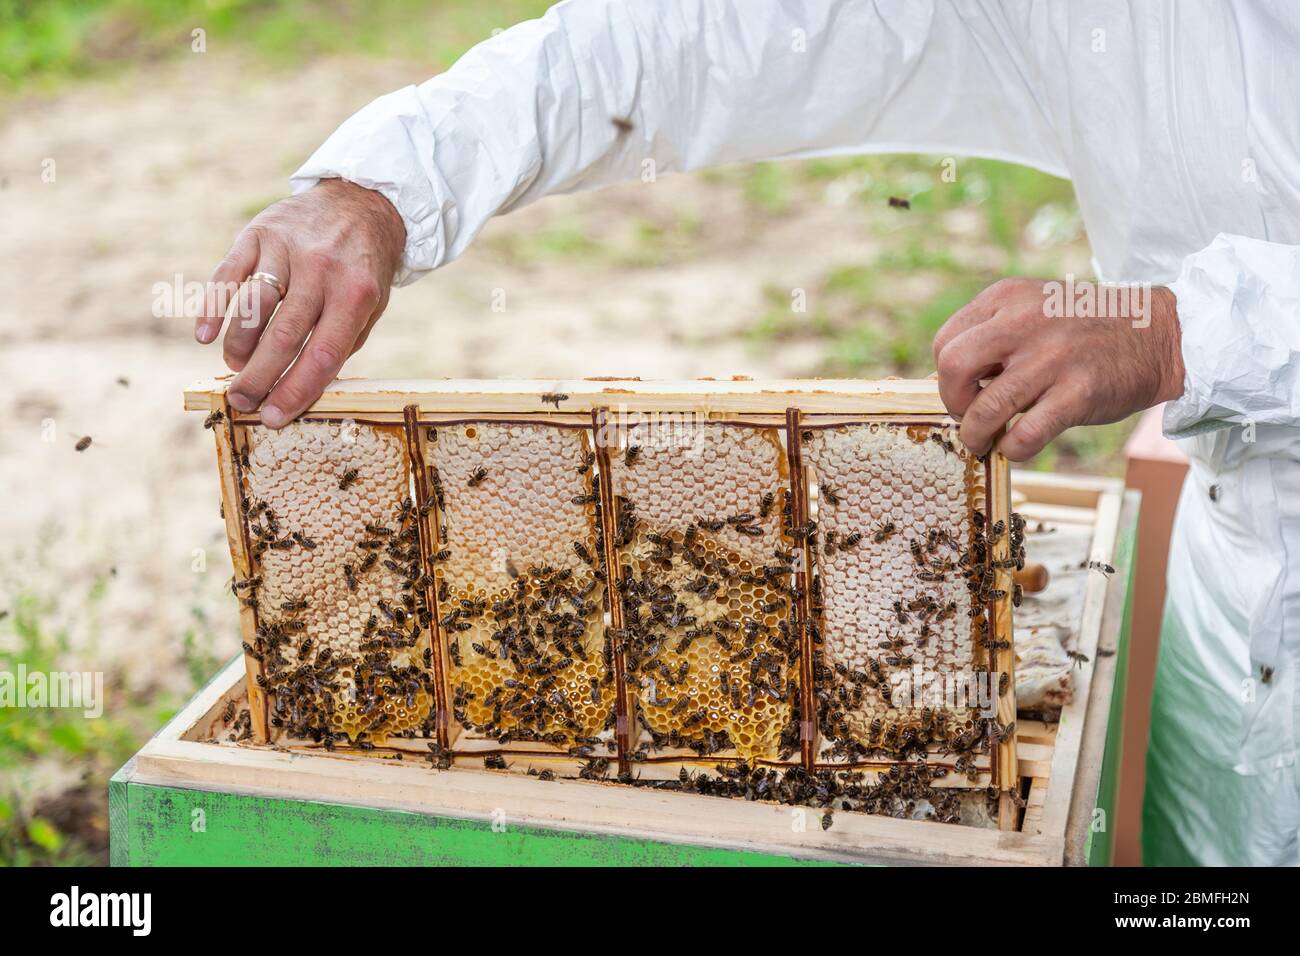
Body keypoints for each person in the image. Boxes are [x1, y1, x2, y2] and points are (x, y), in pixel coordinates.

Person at [194, 1, 1300, 865]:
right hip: (1229, 602)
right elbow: (689, 40)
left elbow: (1195, 322)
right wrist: (382, 185)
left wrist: (1181, 330)